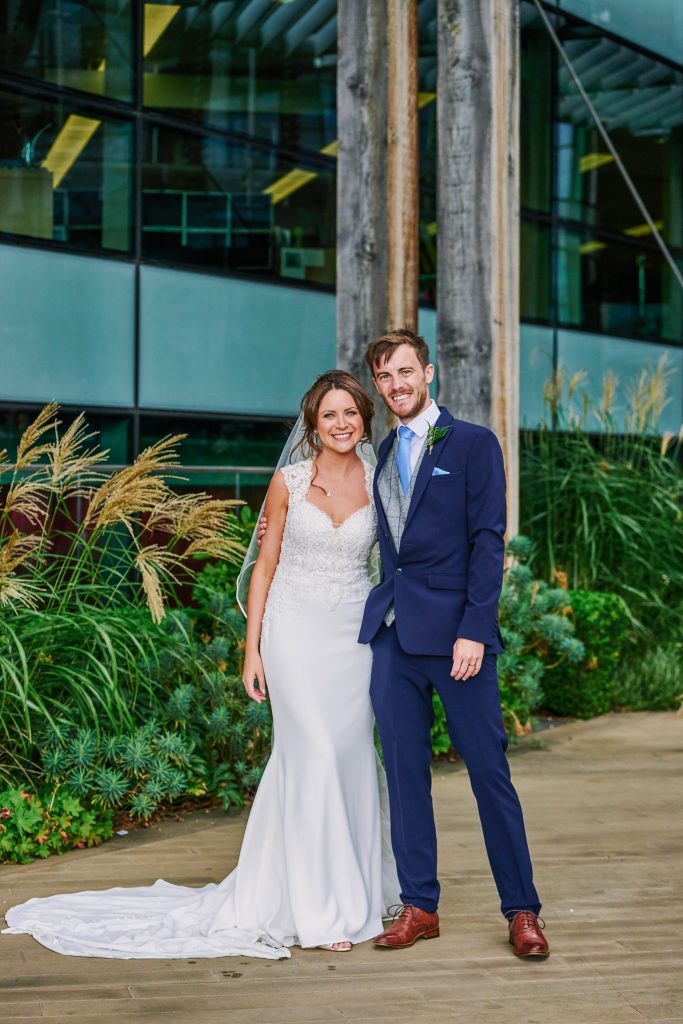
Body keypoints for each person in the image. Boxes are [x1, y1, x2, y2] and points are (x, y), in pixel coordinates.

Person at [2, 369, 398, 959]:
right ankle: (318, 909)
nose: (341, 424)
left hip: (352, 638)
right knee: (310, 753)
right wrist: (252, 649)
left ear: (364, 419)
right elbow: (263, 568)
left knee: (348, 757)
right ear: (312, 426)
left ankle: (356, 890)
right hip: (293, 632)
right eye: (328, 415)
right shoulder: (289, 481)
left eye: (350, 413)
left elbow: (399, 557)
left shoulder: (382, 481)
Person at [360, 328, 549, 959]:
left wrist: (474, 627)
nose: (397, 385)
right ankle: (420, 906)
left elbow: (488, 541)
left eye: (405, 371)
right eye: (385, 377)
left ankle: (522, 910)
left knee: (489, 773)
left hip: (459, 642)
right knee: (405, 777)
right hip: (394, 640)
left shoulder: (471, 443)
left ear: (429, 372)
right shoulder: (382, 453)